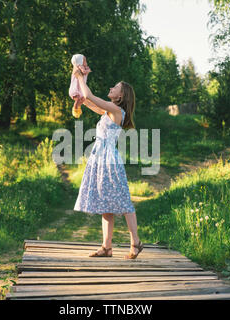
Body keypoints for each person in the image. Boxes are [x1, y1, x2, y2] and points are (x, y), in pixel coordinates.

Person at [72, 68, 143, 260]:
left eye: (115, 88)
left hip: (108, 160)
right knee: (106, 204)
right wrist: (79, 90)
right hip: (101, 157)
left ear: (121, 96)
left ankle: (135, 242)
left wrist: (79, 77)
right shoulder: (108, 110)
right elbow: (88, 100)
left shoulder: (115, 110)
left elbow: (90, 95)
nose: (111, 88)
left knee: (123, 201)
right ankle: (106, 247)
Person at [68, 54, 91, 118]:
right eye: (85, 60)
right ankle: (75, 108)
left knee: (83, 98)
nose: (86, 62)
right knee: (78, 99)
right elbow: (84, 72)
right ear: (80, 61)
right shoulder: (79, 66)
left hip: (80, 88)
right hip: (76, 88)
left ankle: (78, 106)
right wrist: (88, 71)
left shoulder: (81, 66)